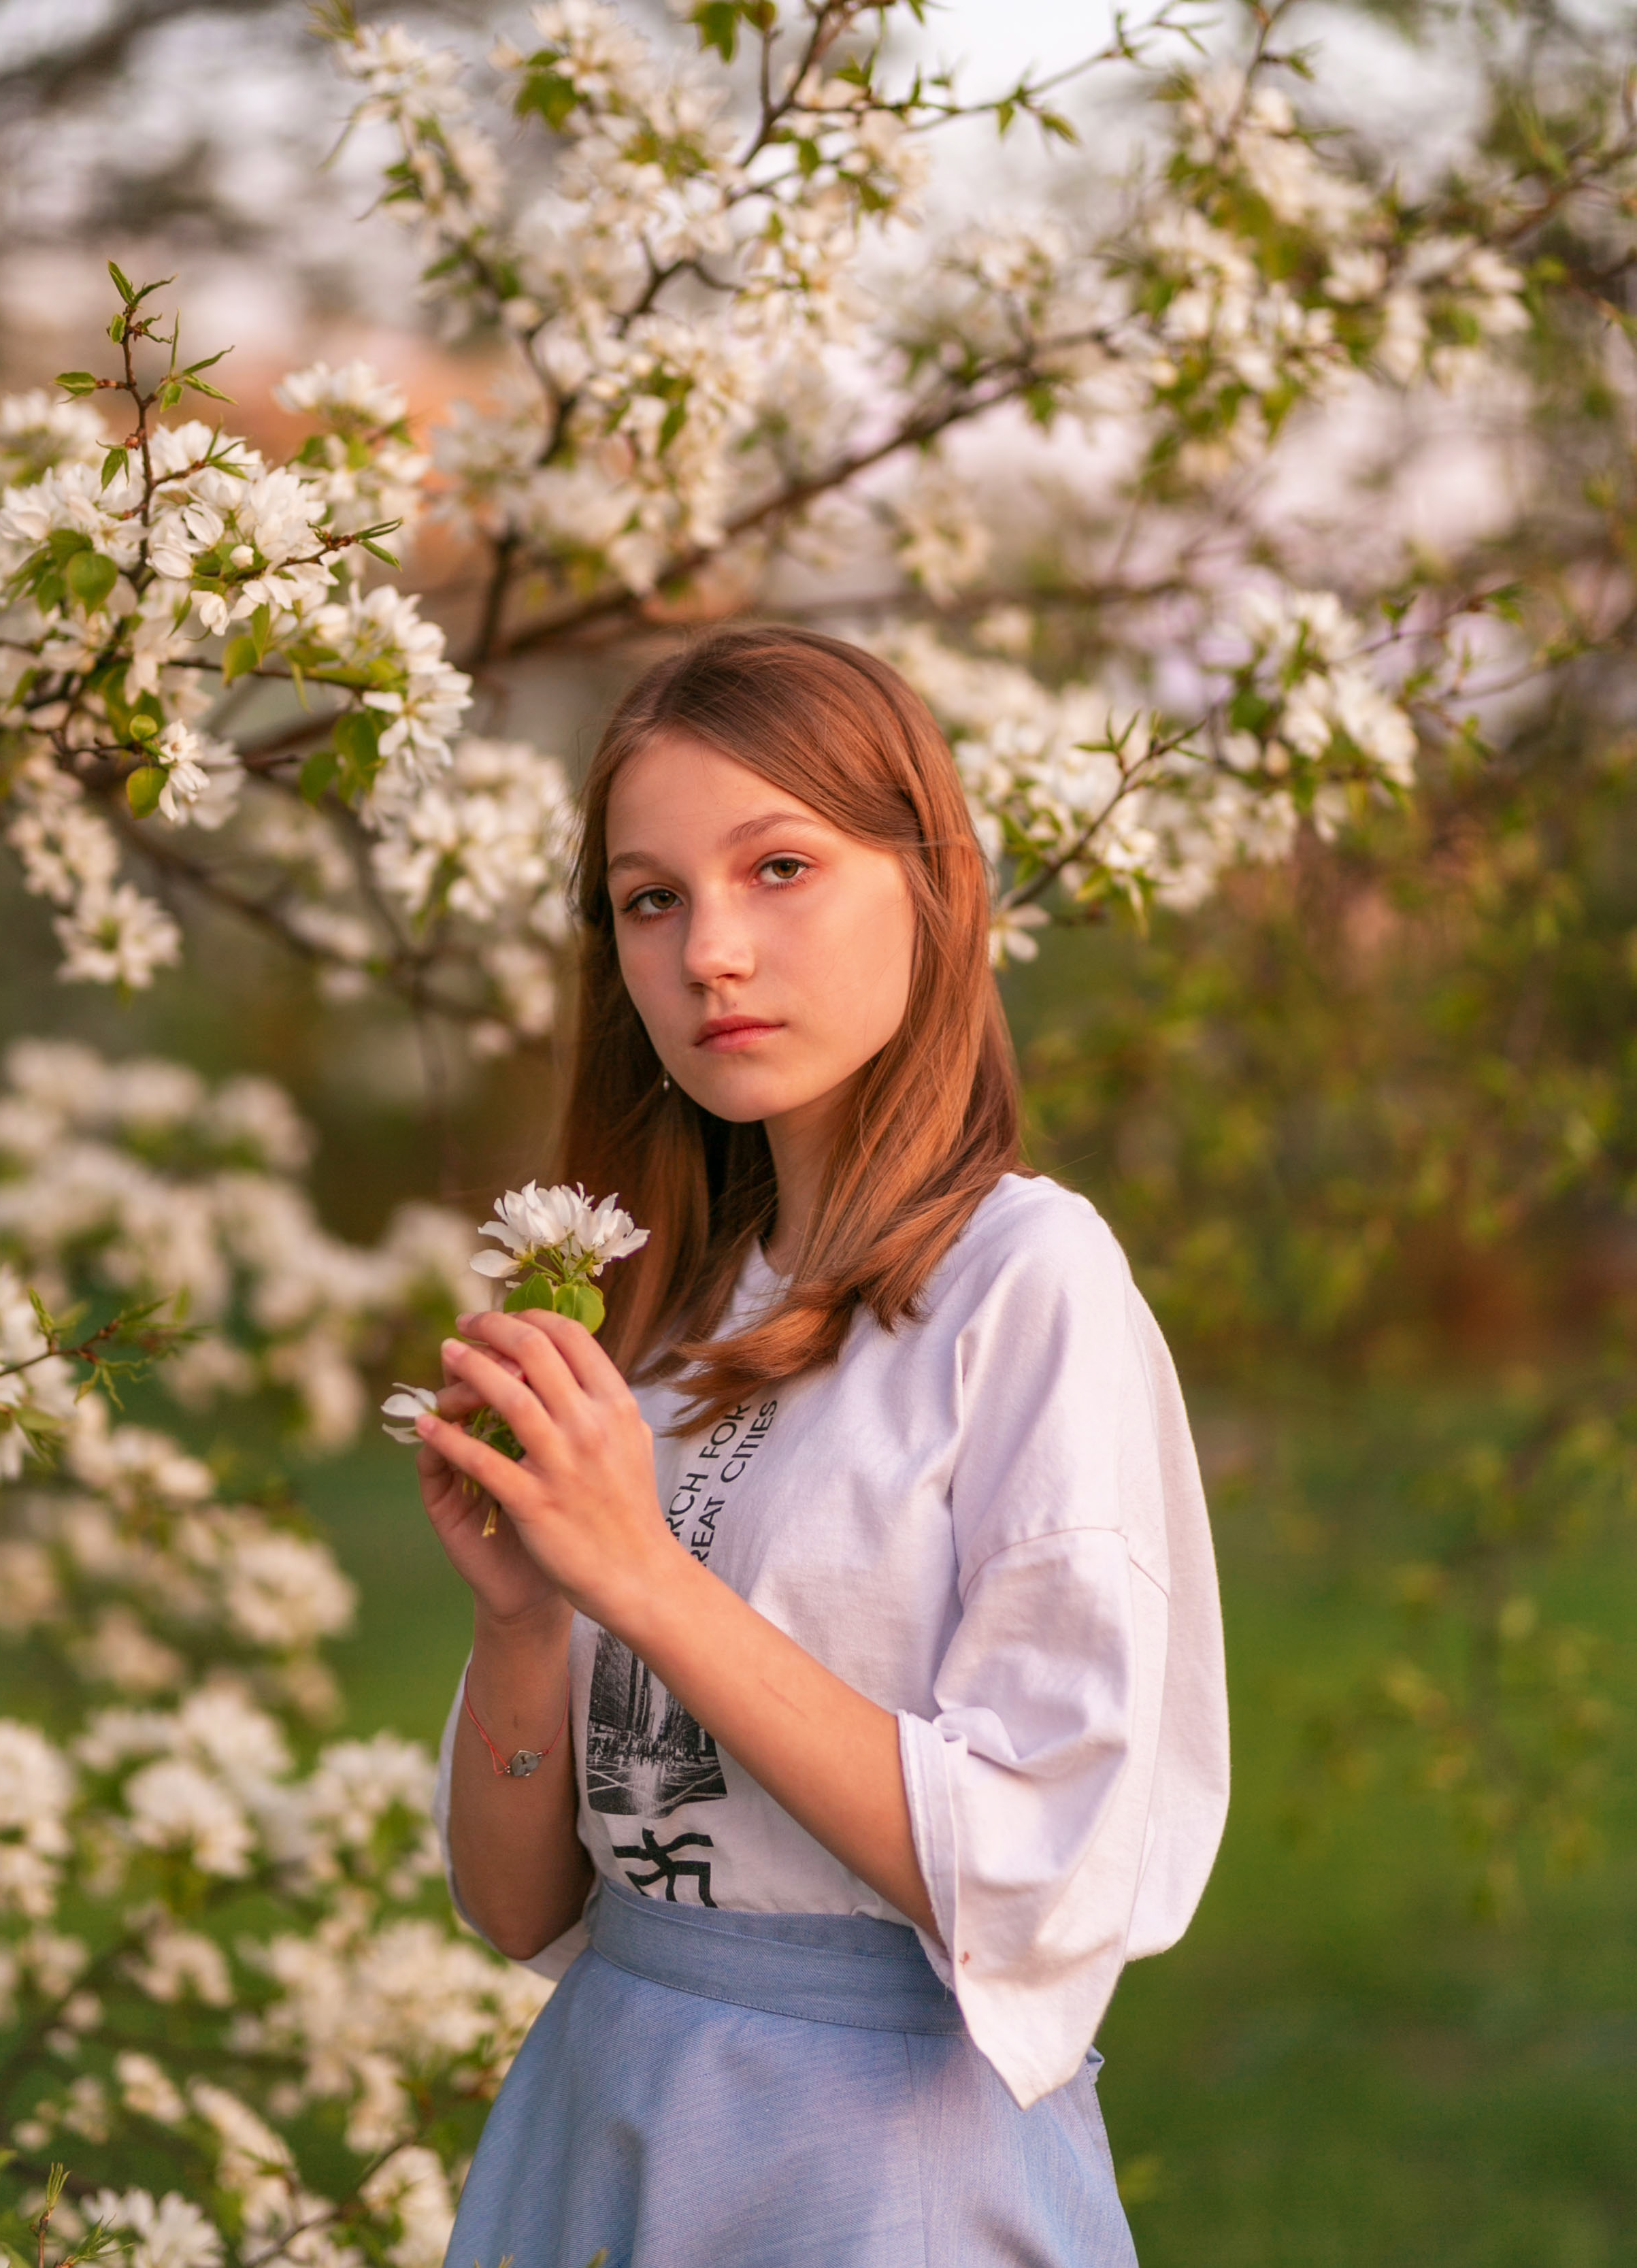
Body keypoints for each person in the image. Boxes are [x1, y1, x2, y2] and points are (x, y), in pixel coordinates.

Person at [410, 627, 1229, 2268]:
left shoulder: (1023, 1283)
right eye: (650, 899)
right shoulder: (663, 1296)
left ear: (930, 886)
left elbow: (1034, 1870)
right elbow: (521, 1911)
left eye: (777, 866)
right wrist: (528, 1618)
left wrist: (641, 1578)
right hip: (609, 2108)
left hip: (868, 2157)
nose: (710, 948)